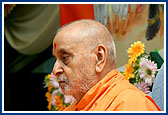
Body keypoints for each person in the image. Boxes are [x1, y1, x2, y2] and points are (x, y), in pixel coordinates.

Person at [52, 19, 161, 111]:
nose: (55, 70)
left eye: (65, 58)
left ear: (99, 57)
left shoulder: (130, 105)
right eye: (55, 59)